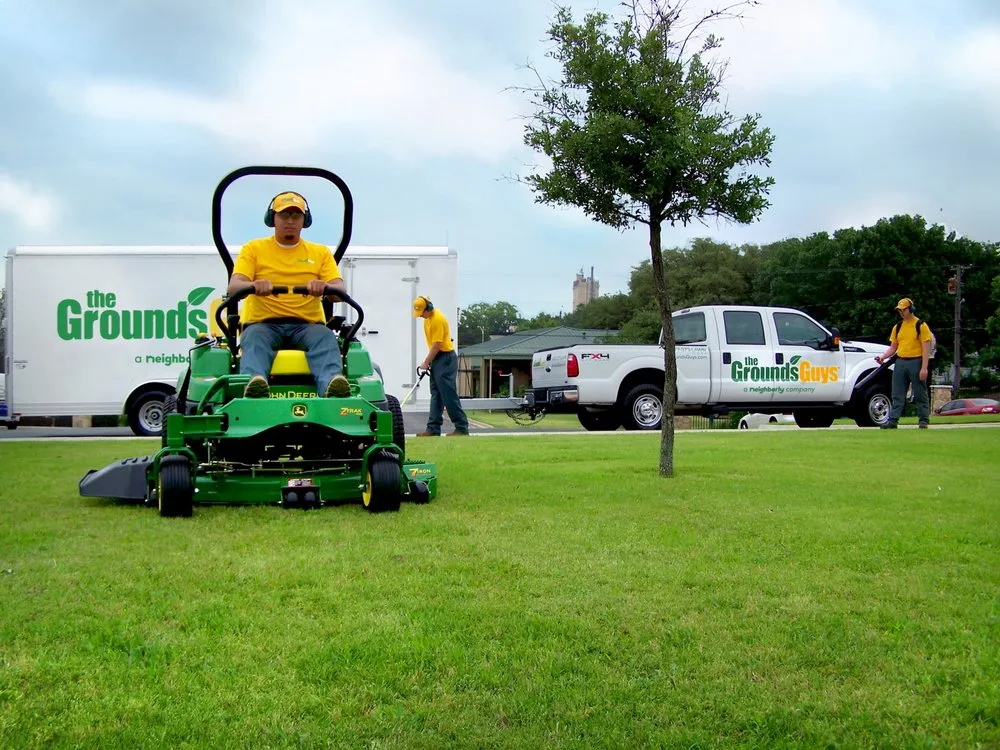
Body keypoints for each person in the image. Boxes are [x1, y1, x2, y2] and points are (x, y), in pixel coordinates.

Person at [228, 191, 351, 399]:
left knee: (326, 337)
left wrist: (324, 287)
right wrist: (253, 285)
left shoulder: (320, 253)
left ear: (305, 221)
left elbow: (339, 291)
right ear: (272, 219)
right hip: (263, 325)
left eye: (296, 216)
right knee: (254, 340)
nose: (290, 221)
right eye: (284, 215)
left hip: (307, 325)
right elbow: (234, 287)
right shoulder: (253, 249)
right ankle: (254, 386)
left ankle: (332, 387)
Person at [413, 296, 469, 436]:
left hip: (446, 357)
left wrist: (426, 362)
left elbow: (437, 345)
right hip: (437, 358)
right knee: (436, 394)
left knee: (448, 394)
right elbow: (433, 345)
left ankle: (461, 427)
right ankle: (433, 429)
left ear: (429, 308)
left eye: (422, 313)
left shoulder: (438, 318)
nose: (421, 316)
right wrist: (431, 361)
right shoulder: (427, 319)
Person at [875, 297, 933, 429]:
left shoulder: (921, 326)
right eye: (899, 310)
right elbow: (893, 347)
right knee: (897, 393)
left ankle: (923, 420)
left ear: (910, 309)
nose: (901, 312)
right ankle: (893, 420)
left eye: (903, 309)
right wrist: (883, 356)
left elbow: (926, 348)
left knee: (919, 393)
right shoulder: (898, 327)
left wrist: (924, 368)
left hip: (916, 361)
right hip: (900, 361)